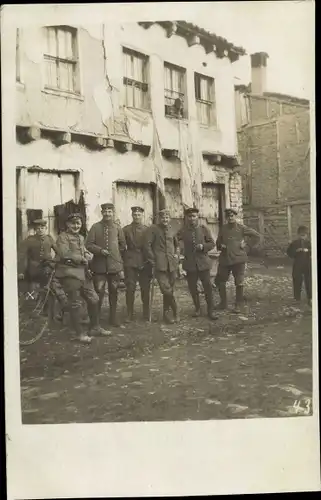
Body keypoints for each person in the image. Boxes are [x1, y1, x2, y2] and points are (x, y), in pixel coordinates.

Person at [55, 213, 110, 344]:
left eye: (78, 223)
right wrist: (82, 259)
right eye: (73, 223)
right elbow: (64, 253)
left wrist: (88, 255)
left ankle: (95, 327)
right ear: (68, 224)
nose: (76, 226)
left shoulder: (80, 237)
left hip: (82, 273)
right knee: (75, 304)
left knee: (94, 299)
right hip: (69, 273)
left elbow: (83, 251)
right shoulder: (62, 237)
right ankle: (78, 333)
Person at [85, 203, 126, 327]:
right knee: (99, 293)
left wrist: (115, 255)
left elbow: (122, 245)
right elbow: (89, 245)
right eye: (105, 211)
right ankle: (95, 322)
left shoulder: (117, 228)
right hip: (99, 268)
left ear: (113, 212)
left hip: (114, 267)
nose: (107, 213)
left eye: (110, 211)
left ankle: (113, 319)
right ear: (101, 213)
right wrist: (100, 251)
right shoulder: (95, 227)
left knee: (114, 293)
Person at [215, 207, 261, 313]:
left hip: (238, 259)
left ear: (235, 216)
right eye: (228, 216)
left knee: (239, 282)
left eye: (232, 216)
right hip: (225, 259)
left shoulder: (241, 228)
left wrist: (247, 246)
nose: (230, 218)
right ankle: (223, 303)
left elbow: (257, 236)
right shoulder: (223, 228)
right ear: (226, 217)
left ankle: (238, 305)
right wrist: (220, 245)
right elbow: (218, 242)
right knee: (221, 281)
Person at [177, 207, 218, 320]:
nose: (191, 218)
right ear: (187, 218)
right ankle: (197, 309)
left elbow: (212, 244)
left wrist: (203, 246)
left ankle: (211, 311)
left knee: (207, 287)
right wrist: (180, 248)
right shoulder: (182, 231)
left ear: (197, 217)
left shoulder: (203, 229)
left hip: (203, 263)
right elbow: (176, 242)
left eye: (194, 216)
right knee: (192, 288)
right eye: (189, 216)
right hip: (190, 264)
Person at [144, 208, 180, 324]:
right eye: (163, 217)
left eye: (167, 217)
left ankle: (166, 314)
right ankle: (175, 311)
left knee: (170, 289)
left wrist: (177, 256)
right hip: (160, 265)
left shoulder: (171, 229)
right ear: (159, 218)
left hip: (172, 265)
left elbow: (177, 245)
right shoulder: (153, 229)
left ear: (169, 219)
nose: (165, 219)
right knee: (167, 290)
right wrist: (152, 260)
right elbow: (147, 246)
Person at [122, 206, 152, 322]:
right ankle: (129, 314)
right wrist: (125, 258)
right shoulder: (126, 229)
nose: (137, 217)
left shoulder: (148, 229)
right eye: (135, 215)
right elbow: (121, 245)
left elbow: (151, 246)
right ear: (132, 215)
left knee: (145, 288)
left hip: (145, 262)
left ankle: (146, 313)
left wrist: (151, 260)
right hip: (130, 262)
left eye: (139, 215)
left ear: (142, 216)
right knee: (130, 288)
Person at [17, 219, 57, 290]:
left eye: (42, 228)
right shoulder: (29, 240)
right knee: (34, 289)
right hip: (34, 268)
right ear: (35, 229)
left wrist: (53, 262)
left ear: (46, 228)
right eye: (38, 228)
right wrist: (21, 271)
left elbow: (59, 252)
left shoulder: (49, 238)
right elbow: (21, 255)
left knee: (47, 289)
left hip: (47, 268)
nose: (40, 230)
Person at [286, 225, 312, 306]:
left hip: (308, 264)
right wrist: (296, 251)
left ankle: (310, 297)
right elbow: (289, 253)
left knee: (309, 281)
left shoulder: (309, 243)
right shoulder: (294, 243)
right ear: (298, 235)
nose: (302, 237)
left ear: (307, 235)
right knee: (297, 280)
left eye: (304, 235)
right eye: (301, 235)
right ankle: (297, 298)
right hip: (298, 264)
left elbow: (314, 251)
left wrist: (308, 251)